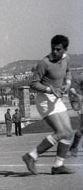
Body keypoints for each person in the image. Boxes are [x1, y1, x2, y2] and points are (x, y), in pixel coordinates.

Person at [22, 35, 74, 175]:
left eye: (58, 49)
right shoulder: (44, 63)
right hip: (45, 100)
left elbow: (68, 72)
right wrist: (50, 90)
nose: (55, 52)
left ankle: (58, 166)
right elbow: (33, 83)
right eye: (53, 49)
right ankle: (31, 156)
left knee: (69, 133)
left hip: (57, 100)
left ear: (65, 49)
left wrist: (68, 84)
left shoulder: (67, 59)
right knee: (61, 132)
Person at [68, 72, 83, 156]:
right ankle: (74, 147)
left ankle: (74, 147)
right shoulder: (80, 77)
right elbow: (72, 89)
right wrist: (77, 96)